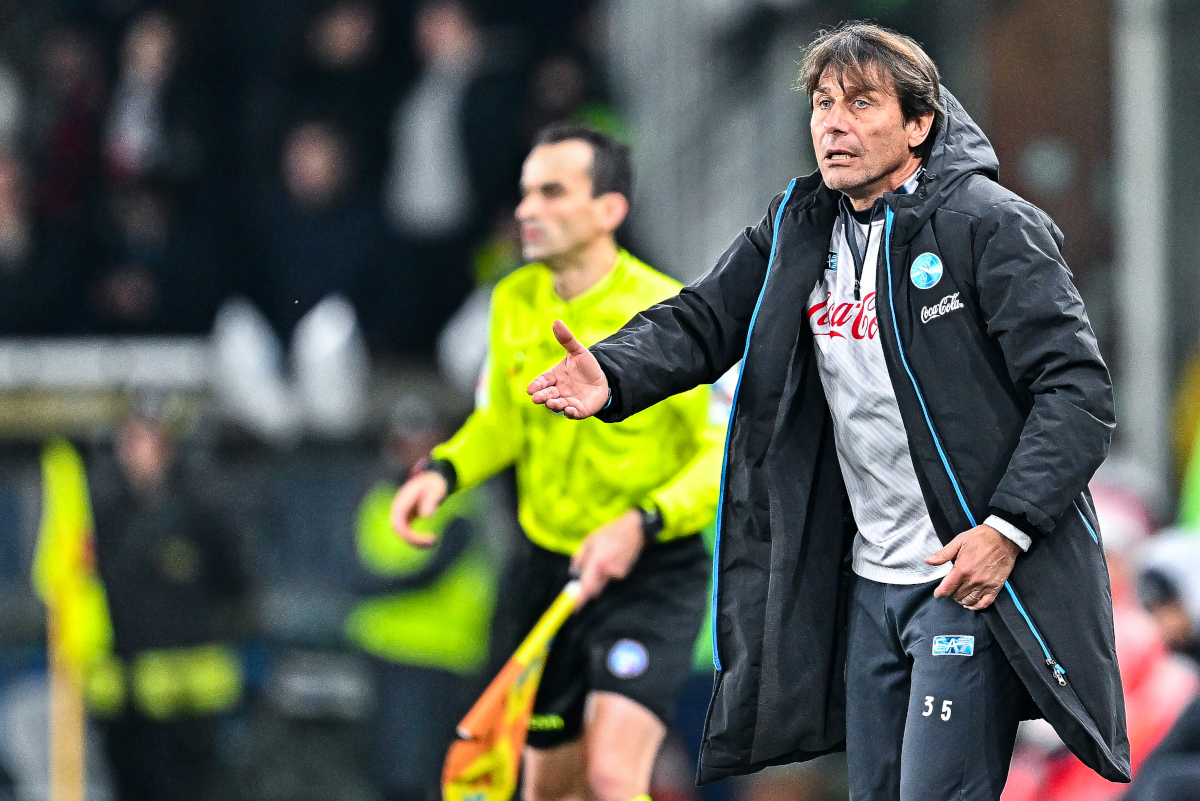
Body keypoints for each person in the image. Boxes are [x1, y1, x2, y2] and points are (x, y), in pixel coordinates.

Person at [527, 22, 1128, 801]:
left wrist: (1006, 529)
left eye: (861, 103)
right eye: (822, 103)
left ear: (920, 124)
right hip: (869, 583)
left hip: (968, 576)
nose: (833, 123)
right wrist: (612, 371)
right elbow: (705, 320)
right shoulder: (797, 225)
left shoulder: (990, 226)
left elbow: (1077, 391)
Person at [391, 123, 725, 801]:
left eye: (551, 192)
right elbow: (500, 422)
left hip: (648, 570)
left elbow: (721, 454)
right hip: (549, 571)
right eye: (523, 194)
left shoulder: (669, 313)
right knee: (549, 788)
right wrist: (442, 471)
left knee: (612, 774)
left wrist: (642, 521)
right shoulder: (512, 299)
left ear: (609, 210)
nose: (526, 210)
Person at [89, 397, 249, 801]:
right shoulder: (106, 511)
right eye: (130, 439)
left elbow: (237, 584)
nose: (136, 451)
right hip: (124, 693)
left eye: (147, 439)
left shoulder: (202, 509)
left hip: (187, 696)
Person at [346, 394, 503, 801]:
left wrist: (374, 591)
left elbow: (431, 569)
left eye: (427, 442)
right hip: (387, 652)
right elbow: (358, 564)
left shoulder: (462, 501)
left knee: (431, 773)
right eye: (406, 443)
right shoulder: (380, 499)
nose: (416, 454)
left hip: (443, 656)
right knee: (394, 772)